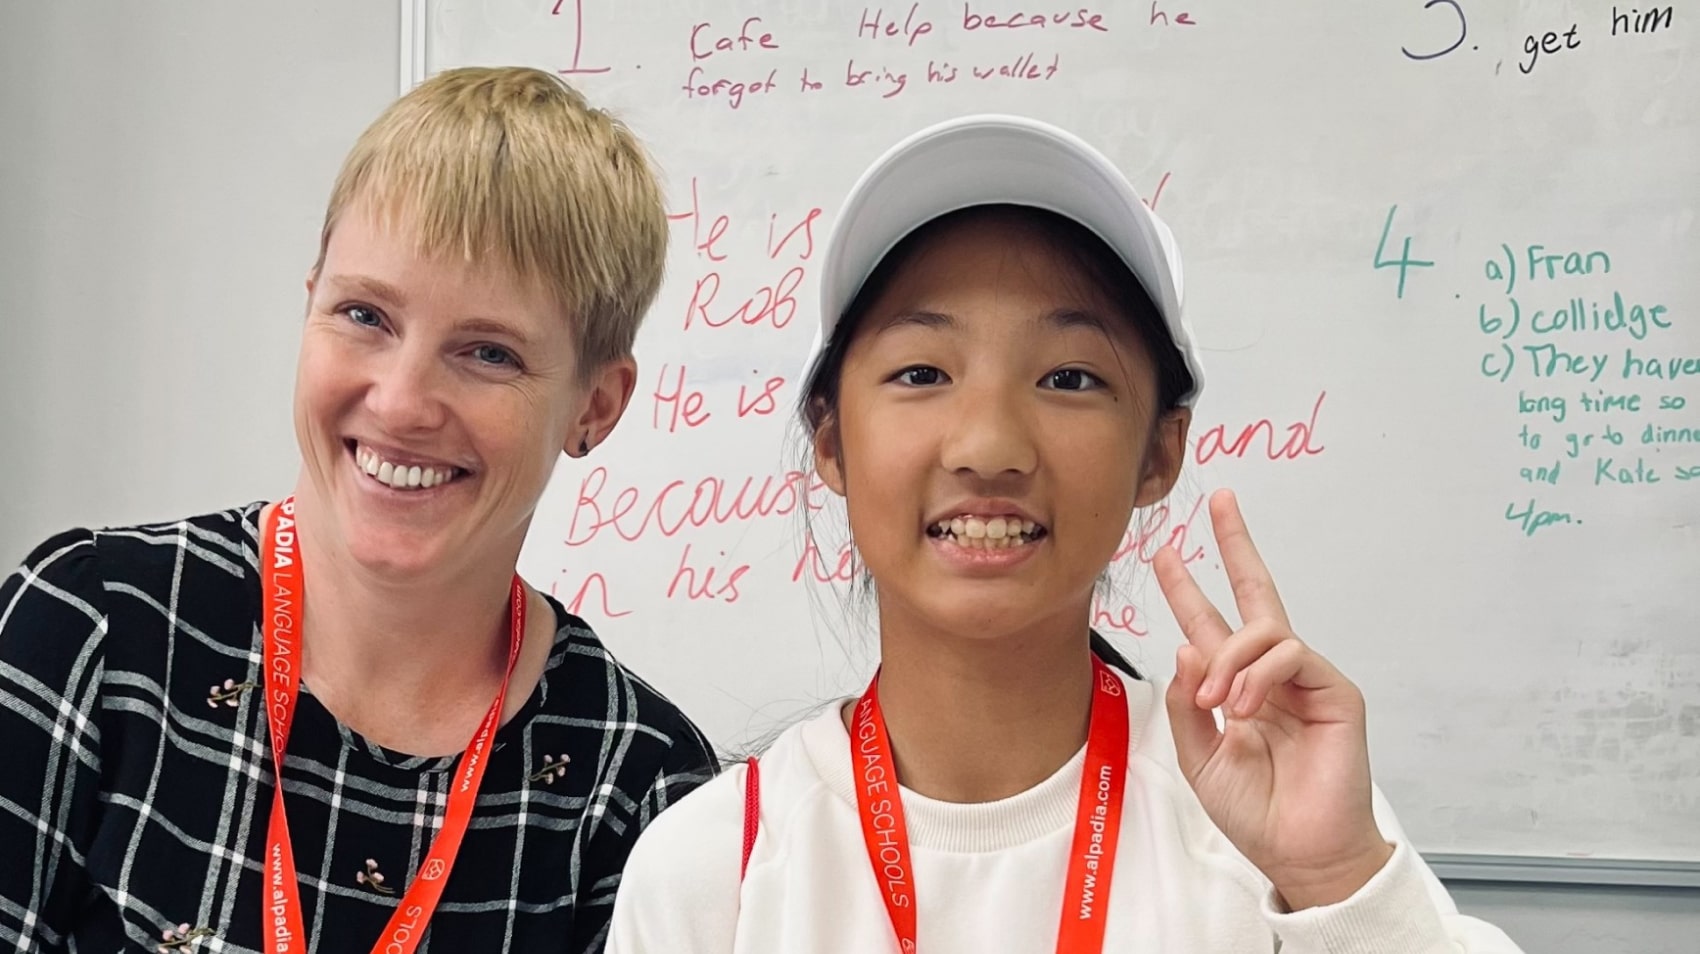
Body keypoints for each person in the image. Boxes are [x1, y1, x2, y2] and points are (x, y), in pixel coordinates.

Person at [603, 115, 1525, 953]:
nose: (988, 447)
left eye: (1070, 378)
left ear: (1160, 452)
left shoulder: (1264, 824)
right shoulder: (715, 871)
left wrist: (1338, 883)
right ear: (832, 441)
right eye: (923, 372)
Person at [0, 67, 716, 954]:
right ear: (310, 302)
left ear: (595, 407)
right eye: (365, 315)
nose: (402, 402)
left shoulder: (640, 790)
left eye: (489, 353)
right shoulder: (95, 631)